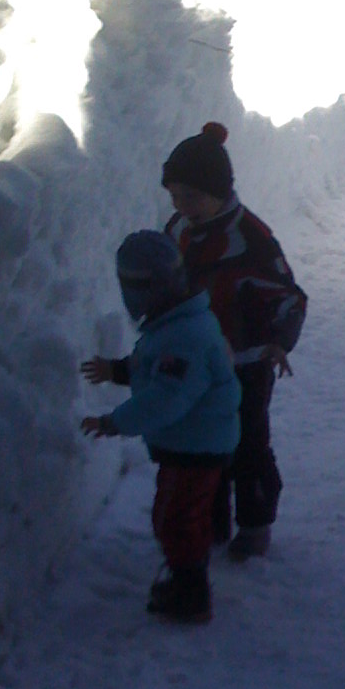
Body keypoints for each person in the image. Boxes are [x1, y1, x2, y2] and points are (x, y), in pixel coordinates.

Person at [160, 123, 307, 560]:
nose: (182, 206)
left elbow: (288, 296)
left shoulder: (251, 238)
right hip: (198, 361)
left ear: (220, 191)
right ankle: (212, 520)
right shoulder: (178, 230)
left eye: (192, 196)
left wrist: (278, 340)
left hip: (245, 362)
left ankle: (255, 523)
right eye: (175, 195)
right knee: (204, 442)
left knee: (246, 444)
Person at [80, 231, 241, 623]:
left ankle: (190, 593)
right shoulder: (177, 322)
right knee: (190, 510)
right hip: (200, 439)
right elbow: (152, 368)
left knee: (173, 518)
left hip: (196, 446)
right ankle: (200, 553)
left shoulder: (183, 337)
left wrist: (113, 422)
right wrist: (117, 369)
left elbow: (164, 400)